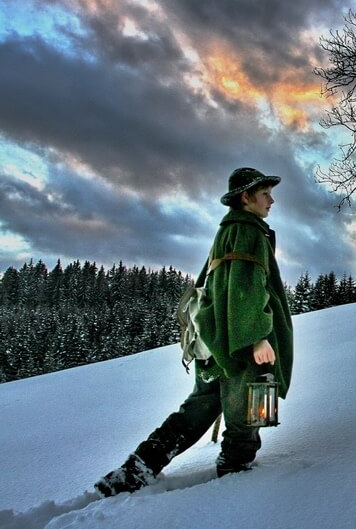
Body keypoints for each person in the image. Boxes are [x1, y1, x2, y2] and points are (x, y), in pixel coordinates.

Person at [95, 167, 294, 496]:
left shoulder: (227, 231)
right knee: (249, 407)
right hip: (240, 342)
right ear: (246, 198)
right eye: (264, 194)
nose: (271, 201)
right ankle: (236, 476)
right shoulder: (247, 231)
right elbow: (247, 289)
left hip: (216, 340)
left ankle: (136, 470)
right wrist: (256, 336)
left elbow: (215, 286)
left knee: (198, 409)